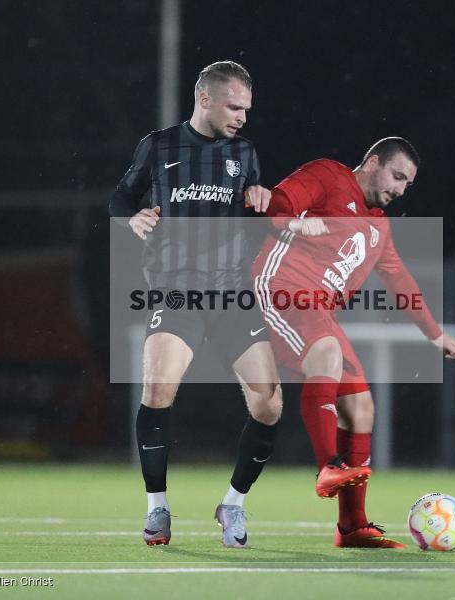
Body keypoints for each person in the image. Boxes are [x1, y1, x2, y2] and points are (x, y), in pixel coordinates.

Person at [251, 137, 455, 548]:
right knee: (327, 352)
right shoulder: (328, 175)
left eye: (408, 184)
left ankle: (352, 527)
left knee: (361, 408)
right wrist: (291, 219)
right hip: (279, 288)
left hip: (318, 312)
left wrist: (434, 334)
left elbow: (399, 280)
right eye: (397, 176)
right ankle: (327, 466)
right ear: (372, 162)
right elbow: (278, 201)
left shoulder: (378, 226)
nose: (400, 189)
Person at [110, 61, 282, 548]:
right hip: (177, 290)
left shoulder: (244, 153)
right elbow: (120, 198)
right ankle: (157, 508)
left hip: (231, 294)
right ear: (204, 99)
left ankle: (233, 504)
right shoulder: (159, 146)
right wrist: (133, 218)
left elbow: (251, 209)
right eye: (234, 106)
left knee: (269, 403)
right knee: (159, 388)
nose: (243, 117)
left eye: (247, 108)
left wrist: (259, 199)